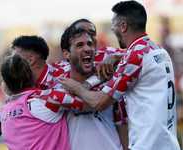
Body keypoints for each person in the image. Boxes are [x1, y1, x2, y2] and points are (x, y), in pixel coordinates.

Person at [58, 1, 181, 150]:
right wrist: (115, 57)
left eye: (113, 23)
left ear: (123, 26)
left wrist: (77, 87)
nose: (112, 28)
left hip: (148, 146)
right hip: (169, 143)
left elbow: (100, 102)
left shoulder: (135, 57)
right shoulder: (159, 50)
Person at [0, 26, 128, 148]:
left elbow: (132, 56)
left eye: (16, 58)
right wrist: (94, 81)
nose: (14, 62)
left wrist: (113, 57)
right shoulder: (40, 98)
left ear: (30, 60)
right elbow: (95, 101)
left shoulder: (65, 68)